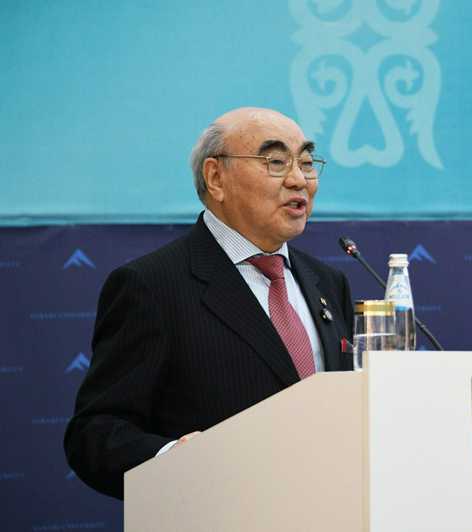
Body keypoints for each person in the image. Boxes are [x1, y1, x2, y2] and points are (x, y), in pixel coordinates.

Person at [64, 108, 354, 500]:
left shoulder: (328, 283)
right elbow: (95, 433)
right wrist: (174, 459)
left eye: (305, 162)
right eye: (275, 162)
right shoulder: (151, 286)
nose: (299, 180)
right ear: (216, 178)